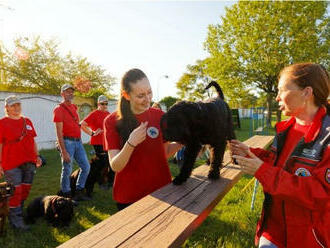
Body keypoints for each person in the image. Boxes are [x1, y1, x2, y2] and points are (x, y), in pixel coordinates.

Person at [230, 63, 330, 248]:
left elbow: (320, 194)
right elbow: (278, 163)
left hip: (308, 240)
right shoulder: (286, 128)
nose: (276, 97)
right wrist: (250, 153)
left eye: (282, 90)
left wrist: (262, 171)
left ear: (306, 93)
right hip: (272, 233)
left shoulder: (327, 137)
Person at [104, 68, 182, 211]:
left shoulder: (161, 117)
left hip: (162, 191)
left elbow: (163, 153)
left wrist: (182, 142)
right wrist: (131, 143)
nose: (147, 99)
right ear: (126, 95)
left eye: (149, 92)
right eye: (140, 95)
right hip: (129, 197)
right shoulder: (112, 121)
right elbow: (115, 166)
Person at [0, 95, 42, 231]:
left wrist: (37, 156)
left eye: (18, 105)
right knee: (15, 192)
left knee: (25, 190)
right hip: (11, 163)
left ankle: (18, 212)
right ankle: (16, 221)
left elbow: (33, 141)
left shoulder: (27, 121)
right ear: (6, 108)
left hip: (29, 161)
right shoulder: (2, 123)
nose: (16, 108)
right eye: (13, 106)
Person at [53, 84, 90, 201]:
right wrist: (64, 151)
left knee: (86, 166)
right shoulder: (58, 109)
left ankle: (79, 190)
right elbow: (59, 132)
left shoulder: (74, 107)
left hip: (78, 142)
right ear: (62, 94)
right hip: (67, 142)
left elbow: (76, 124)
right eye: (67, 92)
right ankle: (66, 194)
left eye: (71, 92)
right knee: (67, 169)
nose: (70, 94)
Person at [81, 95, 114, 186]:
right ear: (98, 104)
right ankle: (99, 181)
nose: (105, 105)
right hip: (98, 142)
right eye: (103, 103)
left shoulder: (108, 114)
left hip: (107, 142)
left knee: (108, 161)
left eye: (106, 103)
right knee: (101, 163)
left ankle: (107, 180)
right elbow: (82, 125)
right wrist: (92, 133)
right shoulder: (94, 114)